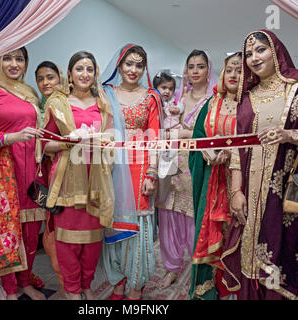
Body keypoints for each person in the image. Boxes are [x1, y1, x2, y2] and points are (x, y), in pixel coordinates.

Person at [221, 30, 298, 300]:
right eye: (249, 54)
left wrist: (289, 134)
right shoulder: (247, 96)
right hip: (251, 195)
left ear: (276, 51)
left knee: (286, 258)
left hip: (288, 193)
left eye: (260, 50)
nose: (254, 58)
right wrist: (236, 192)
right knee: (251, 259)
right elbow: (237, 150)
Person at [0, 47, 47, 300]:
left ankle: (25, 283)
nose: (14, 64)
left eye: (20, 59)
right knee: (6, 233)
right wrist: (12, 137)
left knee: (31, 231)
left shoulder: (30, 93)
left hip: (33, 172)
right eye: (8, 59)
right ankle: (10, 290)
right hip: (4, 175)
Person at [42, 51, 115, 300]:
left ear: (95, 75)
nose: (85, 74)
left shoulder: (103, 104)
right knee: (67, 241)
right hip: (67, 181)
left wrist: (104, 145)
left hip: (96, 180)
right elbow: (44, 144)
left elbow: (112, 141)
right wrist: (68, 142)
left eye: (90, 69)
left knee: (93, 242)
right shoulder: (57, 102)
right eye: (80, 69)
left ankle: (87, 286)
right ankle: (72, 290)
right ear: (70, 75)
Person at [101, 44, 162, 300]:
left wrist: (152, 173)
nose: (133, 69)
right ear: (119, 65)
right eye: (129, 63)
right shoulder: (106, 94)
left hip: (139, 173)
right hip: (111, 170)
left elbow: (155, 138)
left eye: (139, 65)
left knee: (140, 228)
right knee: (113, 224)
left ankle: (136, 284)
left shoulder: (151, 97)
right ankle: (118, 281)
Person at [155, 50, 217, 290]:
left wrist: (186, 134)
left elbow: (216, 134)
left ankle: (197, 267)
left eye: (200, 66)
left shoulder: (214, 99)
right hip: (171, 163)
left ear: (208, 70)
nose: (195, 71)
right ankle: (171, 268)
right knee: (168, 215)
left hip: (196, 164)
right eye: (191, 66)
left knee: (194, 216)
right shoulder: (177, 95)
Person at [188, 52, 242, 300]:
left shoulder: (251, 104)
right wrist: (209, 153)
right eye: (230, 69)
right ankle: (208, 289)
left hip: (240, 181)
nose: (233, 75)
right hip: (211, 179)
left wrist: (231, 155)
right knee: (210, 232)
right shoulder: (212, 103)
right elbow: (198, 135)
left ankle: (235, 287)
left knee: (236, 233)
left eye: (240, 70)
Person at [34, 60, 66, 298]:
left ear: (60, 78)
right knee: (49, 222)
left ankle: (69, 283)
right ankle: (63, 280)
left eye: (50, 77)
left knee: (61, 222)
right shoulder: (35, 106)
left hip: (62, 172)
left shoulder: (65, 105)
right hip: (39, 174)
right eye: (41, 78)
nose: (46, 82)